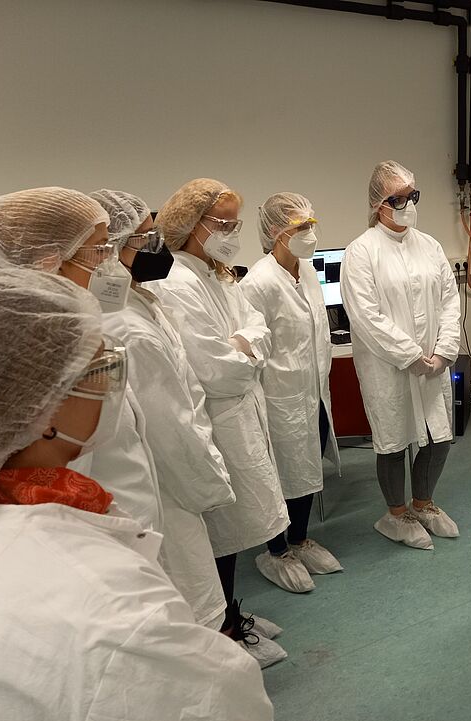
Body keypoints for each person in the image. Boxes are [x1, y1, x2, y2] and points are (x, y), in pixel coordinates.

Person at [0, 268, 273, 720]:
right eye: (99, 370)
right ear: (40, 409)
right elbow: (221, 702)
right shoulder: (108, 606)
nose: (111, 384)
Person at [88, 190, 283, 659]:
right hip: (173, 470)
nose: (156, 245)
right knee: (193, 570)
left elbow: (254, 330)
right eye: (144, 236)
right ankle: (222, 642)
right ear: (109, 248)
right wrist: (207, 476)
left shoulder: (144, 298)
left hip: (196, 443)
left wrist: (244, 345)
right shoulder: (131, 321)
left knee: (209, 556)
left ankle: (227, 624)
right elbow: (205, 378)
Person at [0, 188, 163, 534]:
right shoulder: (42, 355)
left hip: (119, 516)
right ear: (49, 261)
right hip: (86, 529)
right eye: (100, 249)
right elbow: (59, 470)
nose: (110, 261)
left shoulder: (74, 332)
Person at [148, 179, 290, 653]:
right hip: (216, 418)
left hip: (241, 410)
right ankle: (225, 629)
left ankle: (230, 610)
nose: (232, 232)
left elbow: (257, 326)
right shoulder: (176, 281)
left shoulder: (219, 273)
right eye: (223, 224)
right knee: (220, 527)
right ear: (191, 224)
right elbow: (216, 370)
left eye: (235, 223)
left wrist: (244, 346)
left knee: (234, 523)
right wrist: (247, 352)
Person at [341, 161, 461, 550]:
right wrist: (409, 355)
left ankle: (422, 503)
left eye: (413, 196)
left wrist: (444, 351)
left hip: (434, 364)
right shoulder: (361, 252)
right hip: (388, 366)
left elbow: (449, 301)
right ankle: (395, 514)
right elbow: (365, 316)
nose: (408, 204)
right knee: (393, 441)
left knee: (438, 436)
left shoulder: (430, 246)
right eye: (398, 199)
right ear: (379, 204)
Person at [242, 193, 343, 593]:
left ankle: (300, 539)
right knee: (280, 473)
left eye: (311, 225)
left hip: (313, 391)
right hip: (278, 396)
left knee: (307, 466)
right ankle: (276, 550)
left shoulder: (306, 271)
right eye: (301, 227)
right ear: (275, 232)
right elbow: (254, 346)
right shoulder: (258, 283)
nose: (310, 233)